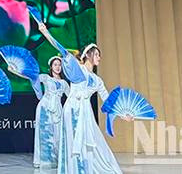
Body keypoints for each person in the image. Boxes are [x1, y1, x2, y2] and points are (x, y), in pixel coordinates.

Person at [36, 22, 129, 174]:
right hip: (72, 108)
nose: (99, 57)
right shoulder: (77, 69)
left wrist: (122, 114)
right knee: (74, 142)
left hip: (86, 112)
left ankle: (85, 169)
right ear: (88, 55)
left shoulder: (97, 80)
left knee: (91, 141)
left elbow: (107, 99)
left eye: (99, 55)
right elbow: (62, 50)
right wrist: (46, 32)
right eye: (96, 54)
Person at [32, 56, 70, 171]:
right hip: (44, 107)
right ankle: (43, 161)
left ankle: (58, 159)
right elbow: (31, 76)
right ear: (51, 67)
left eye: (59, 65)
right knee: (44, 135)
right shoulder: (46, 78)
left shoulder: (64, 83)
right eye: (55, 65)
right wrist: (15, 70)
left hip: (58, 109)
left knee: (58, 135)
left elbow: (71, 97)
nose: (58, 67)